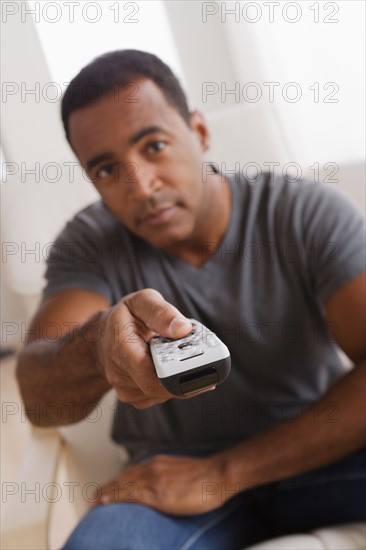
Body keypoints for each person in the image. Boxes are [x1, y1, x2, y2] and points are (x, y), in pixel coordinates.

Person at [16, 50, 366, 549]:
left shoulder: (306, 213)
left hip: (312, 450)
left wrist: (224, 472)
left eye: (154, 145)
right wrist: (97, 346)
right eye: (107, 170)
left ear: (199, 132)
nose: (141, 186)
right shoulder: (89, 243)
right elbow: (38, 397)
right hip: (167, 483)